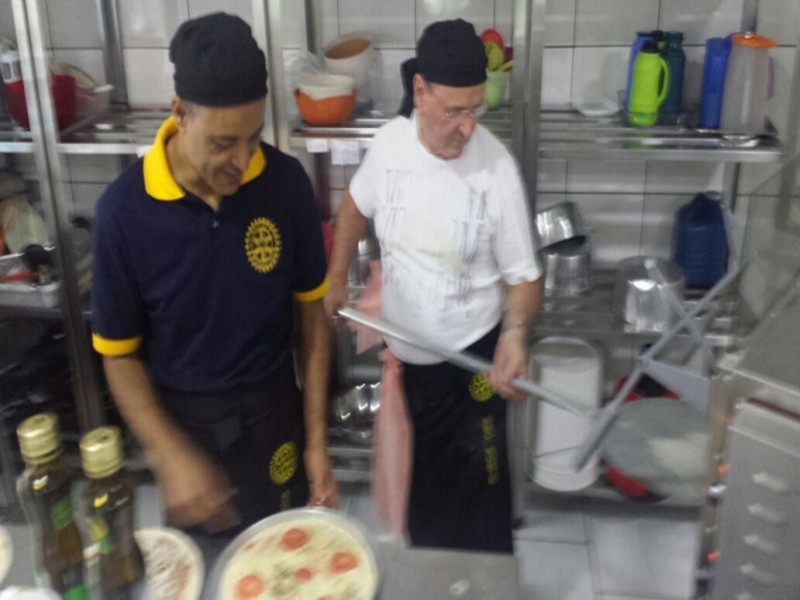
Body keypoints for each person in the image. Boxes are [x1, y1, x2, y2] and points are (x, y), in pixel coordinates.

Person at [91, 12, 338, 535]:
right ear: (180, 113)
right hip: (186, 432)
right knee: (201, 569)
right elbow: (118, 355)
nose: (242, 160)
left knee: (285, 558)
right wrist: (167, 453)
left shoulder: (286, 185)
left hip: (275, 416)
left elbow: (312, 320)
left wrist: (317, 443)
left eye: (253, 137)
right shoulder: (124, 213)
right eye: (224, 143)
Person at [325, 18, 543, 553]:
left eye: (476, 110)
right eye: (454, 111)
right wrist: (335, 278)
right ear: (420, 91)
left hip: (472, 371)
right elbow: (354, 205)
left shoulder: (496, 169)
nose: (467, 128)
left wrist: (515, 334)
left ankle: (483, 583)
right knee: (423, 506)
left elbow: (524, 279)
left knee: (479, 509)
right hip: (409, 372)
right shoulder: (390, 146)